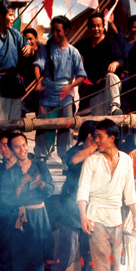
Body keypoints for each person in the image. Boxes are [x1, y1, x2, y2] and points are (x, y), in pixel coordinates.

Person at [0, 131, 54, 271]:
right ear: (12, 150)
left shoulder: (40, 166)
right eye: (17, 147)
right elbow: (6, 199)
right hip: (21, 217)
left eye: (23, 145)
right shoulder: (9, 172)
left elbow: (50, 190)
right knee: (21, 258)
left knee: (41, 256)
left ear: (28, 146)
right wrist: (21, 187)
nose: (21, 150)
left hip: (40, 216)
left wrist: (40, 184)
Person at [77, 120, 136, 271]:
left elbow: (129, 191)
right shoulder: (92, 161)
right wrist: (83, 216)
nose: (96, 140)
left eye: (100, 136)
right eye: (95, 136)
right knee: (102, 261)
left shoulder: (126, 160)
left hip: (115, 217)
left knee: (114, 265)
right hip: (95, 217)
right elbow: (83, 190)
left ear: (112, 138)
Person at [46, 120, 99, 271]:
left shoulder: (101, 154)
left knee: (90, 251)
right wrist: (94, 148)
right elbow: (74, 160)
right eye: (98, 135)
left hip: (92, 211)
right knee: (67, 251)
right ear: (90, 136)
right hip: (72, 211)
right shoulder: (75, 152)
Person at [34, 16, 87, 162]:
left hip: (65, 94)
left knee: (66, 127)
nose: (55, 34)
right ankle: (41, 158)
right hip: (47, 92)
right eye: (53, 30)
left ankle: (65, 160)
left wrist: (70, 86)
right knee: (43, 126)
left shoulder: (73, 52)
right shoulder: (45, 49)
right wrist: (39, 81)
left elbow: (82, 75)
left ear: (67, 31)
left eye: (58, 31)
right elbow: (38, 65)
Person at [76, 12, 123, 117]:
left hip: (110, 86)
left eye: (98, 26)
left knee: (110, 76)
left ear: (103, 27)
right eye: (93, 26)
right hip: (94, 89)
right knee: (98, 120)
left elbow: (123, 58)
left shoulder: (111, 43)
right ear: (88, 28)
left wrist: (116, 63)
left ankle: (115, 108)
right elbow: (69, 50)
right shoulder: (84, 44)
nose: (96, 29)